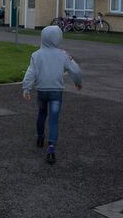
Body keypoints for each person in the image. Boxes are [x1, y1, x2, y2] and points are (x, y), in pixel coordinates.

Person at [22, 26, 83, 164]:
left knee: (42, 113)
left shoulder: (36, 55)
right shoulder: (63, 54)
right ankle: (51, 147)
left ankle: (40, 137)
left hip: (42, 91)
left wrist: (26, 88)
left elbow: (30, 73)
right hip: (56, 92)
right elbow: (75, 70)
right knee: (54, 119)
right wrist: (78, 82)